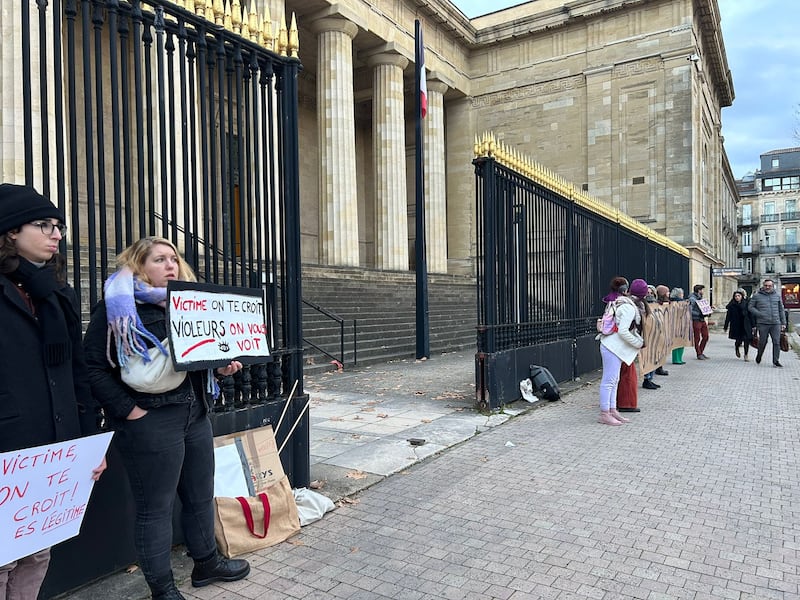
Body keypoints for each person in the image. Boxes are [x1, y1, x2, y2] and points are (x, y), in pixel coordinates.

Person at [83, 237, 250, 600]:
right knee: (155, 509)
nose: (170, 265)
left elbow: (195, 359)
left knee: (201, 495)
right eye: (159, 259)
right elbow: (92, 367)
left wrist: (220, 368)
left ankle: (207, 563)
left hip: (194, 413)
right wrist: (131, 411)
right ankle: (162, 589)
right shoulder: (117, 308)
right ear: (139, 265)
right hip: (150, 420)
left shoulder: (187, 305)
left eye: (173, 258)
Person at [0, 183, 106, 599]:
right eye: (44, 225)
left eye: (58, 225)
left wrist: (88, 442)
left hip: (54, 447)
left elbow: (76, 373)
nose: (57, 234)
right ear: (10, 231)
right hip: (9, 447)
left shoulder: (56, 293)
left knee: (36, 553)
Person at [597, 276, 646, 425]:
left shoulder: (627, 305)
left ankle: (612, 410)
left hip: (613, 347)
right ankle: (605, 413)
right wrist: (638, 343)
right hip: (612, 347)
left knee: (614, 380)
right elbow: (623, 331)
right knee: (609, 380)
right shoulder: (629, 308)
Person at [748, 278, 787, 367]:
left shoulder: (777, 296)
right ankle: (759, 355)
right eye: (766, 285)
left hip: (776, 323)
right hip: (763, 323)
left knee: (776, 342)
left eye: (769, 286)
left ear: (773, 286)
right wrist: (759, 314)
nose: (767, 287)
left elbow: (781, 310)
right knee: (762, 342)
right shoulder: (757, 296)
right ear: (763, 286)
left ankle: (776, 361)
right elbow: (750, 307)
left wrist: (783, 323)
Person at [723, 289, 753, 361]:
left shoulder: (746, 303)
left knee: (746, 340)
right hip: (736, 325)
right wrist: (726, 326)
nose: (737, 297)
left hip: (745, 324)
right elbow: (728, 316)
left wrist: (754, 325)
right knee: (738, 340)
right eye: (735, 296)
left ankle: (746, 354)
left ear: (741, 296)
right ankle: (737, 348)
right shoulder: (732, 305)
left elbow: (751, 314)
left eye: (738, 296)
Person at [687, 284, 710, 359]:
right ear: (699, 290)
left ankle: (701, 351)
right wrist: (700, 313)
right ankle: (699, 353)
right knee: (697, 337)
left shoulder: (700, 298)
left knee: (706, 336)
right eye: (702, 290)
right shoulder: (692, 299)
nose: (703, 291)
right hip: (696, 319)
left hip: (702, 319)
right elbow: (690, 310)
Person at [669, 287, 687, 365]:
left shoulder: (672, 302)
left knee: (678, 342)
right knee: (679, 342)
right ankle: (677, 359)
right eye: (682, 293)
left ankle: (677, 358)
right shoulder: (678, 302)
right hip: (679, 324)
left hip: (676, 324)